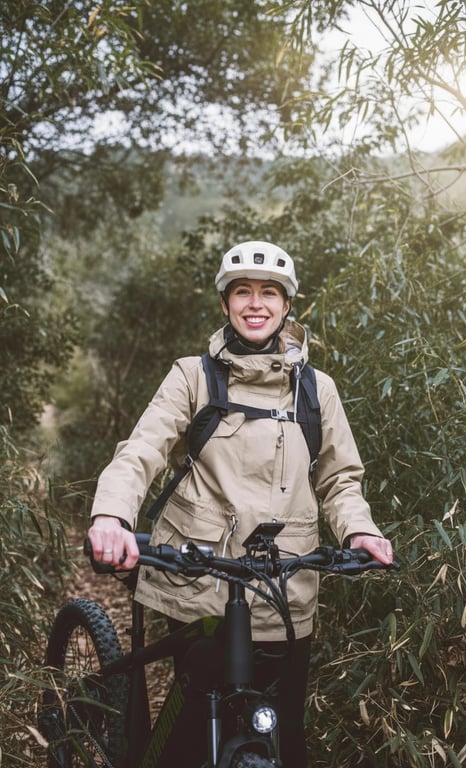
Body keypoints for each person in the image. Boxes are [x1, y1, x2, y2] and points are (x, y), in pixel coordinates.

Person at [88, 240, 394, 767]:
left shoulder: (318, 390)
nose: (256, 303)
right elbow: (141, 452)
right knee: (192, 734)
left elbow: (340, 479)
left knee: (284, 738)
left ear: (286, 305)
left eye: (269, 292)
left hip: (285, 589)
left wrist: (358, 532)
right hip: (199, 577)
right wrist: (111, 514)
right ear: (226, 303)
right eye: (243, 292)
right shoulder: (193, 376)